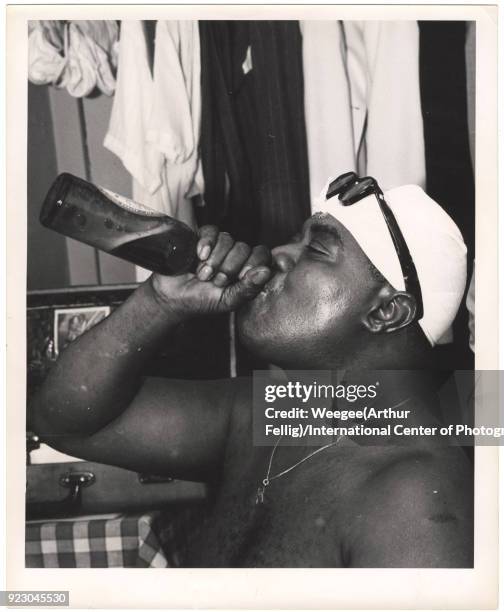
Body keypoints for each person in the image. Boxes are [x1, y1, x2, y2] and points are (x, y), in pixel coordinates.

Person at [30, 173, 473, 568]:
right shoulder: (275, 413)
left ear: (386, 312)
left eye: (316, 250)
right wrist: (159, 303)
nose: (278, 253)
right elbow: (65, 424)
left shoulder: (416, 500)